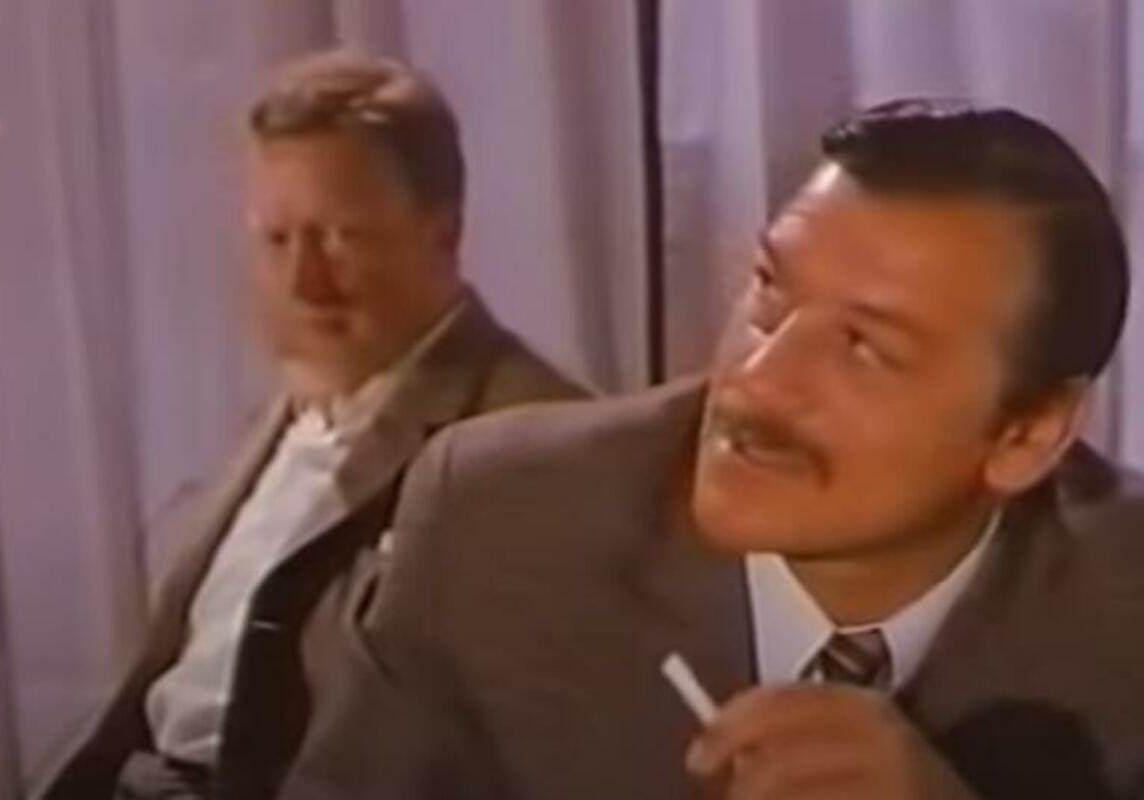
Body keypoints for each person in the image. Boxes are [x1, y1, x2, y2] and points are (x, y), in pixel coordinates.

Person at [278, 99, 1144, 799]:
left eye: (865, 347)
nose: (754, 382)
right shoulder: (502, 518)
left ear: (1027, 435)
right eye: (769, 292)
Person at [33, 49, 586, 800]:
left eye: (338, 237)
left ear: (444, 232)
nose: (303, 282)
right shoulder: (284, 417)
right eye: (277, 240)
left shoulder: (535, 439)